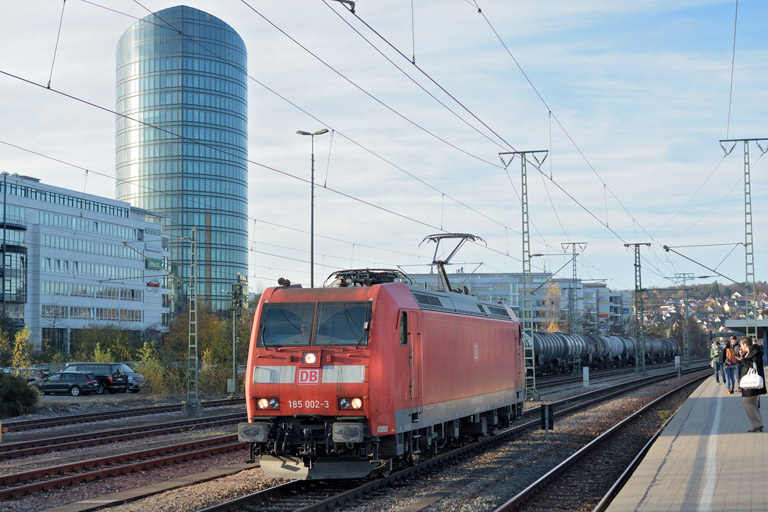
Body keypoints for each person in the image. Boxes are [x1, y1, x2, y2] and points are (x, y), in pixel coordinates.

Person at [737, 337, 766, 432]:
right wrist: (742, 357)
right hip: (750, 383)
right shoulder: (749, 353)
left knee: (746, 401)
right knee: (753, 403)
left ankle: (757, 425)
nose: (741, 347)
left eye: (741, 345)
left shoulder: (755, 353)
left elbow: (755, 365)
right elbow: (745, 365)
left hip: (752, 382)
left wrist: (743, 359)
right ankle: (759, 424)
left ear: (745, 344)